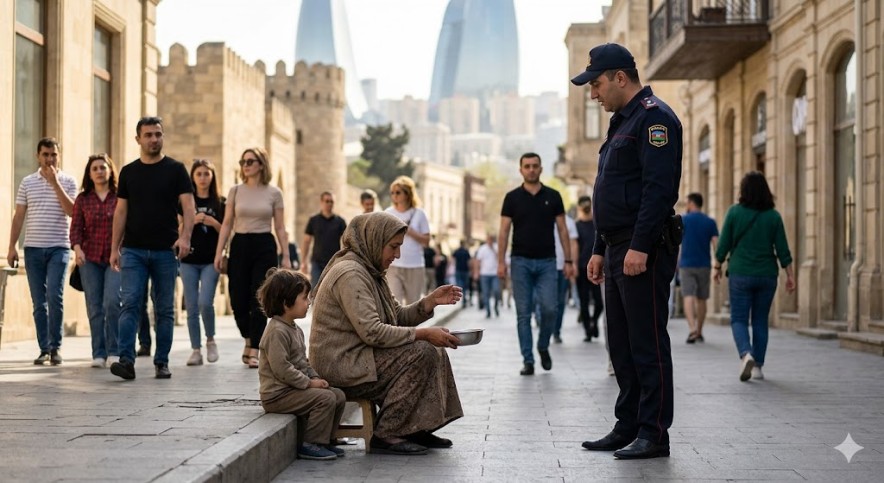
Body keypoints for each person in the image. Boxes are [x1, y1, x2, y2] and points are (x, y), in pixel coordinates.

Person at [573, 43, 682, 459]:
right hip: (617, 247)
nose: (593, 94)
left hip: (643, 249)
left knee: (646, 342)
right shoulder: (622, 122)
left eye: (596, 84)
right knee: (620, 343)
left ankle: (654, 432)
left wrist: (639, 246)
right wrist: (599, 247)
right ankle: (628, 424)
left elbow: (658, 190)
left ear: (620, 78)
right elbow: (609, 191)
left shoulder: (655, 119)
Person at [309, 212, 464, 455]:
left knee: (433, 348)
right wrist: (423, 334)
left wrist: (429, 302)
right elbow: (373, 332)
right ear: (374, 240)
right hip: (342, 364)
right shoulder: (350, 274)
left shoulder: (369, 270)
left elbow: (396, 316)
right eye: (393, 247)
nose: (397, 255)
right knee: (421, 352)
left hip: (360, 356)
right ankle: (387, 433)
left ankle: (414, 427)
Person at [110, 117, 194, 380]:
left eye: (158, 134)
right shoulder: (128, 172)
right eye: (148, 135)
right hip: (133, 250)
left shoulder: (176, 170)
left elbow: (189, 207)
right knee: (130, 304)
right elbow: (121, 211)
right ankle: (126, 361)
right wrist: (114, 248)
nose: (154, 139)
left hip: (165, 251)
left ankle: (162, 362)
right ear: (138, 139)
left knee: (165, 309)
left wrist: (185, 237)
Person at [497, 152, 575, 376]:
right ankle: (528, 360)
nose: (531, 169)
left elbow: (563, 230)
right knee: (523, 313)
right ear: (521, 170)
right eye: (527, 166)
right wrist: (501, 262)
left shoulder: (553, 196)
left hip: (547, 262)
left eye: (535, 166)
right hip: (520, 262)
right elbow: (503, 231)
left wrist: (568, 260)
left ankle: (542, 345)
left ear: (541, 169)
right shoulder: (512, 198)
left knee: (550, 309)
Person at [257, 268, 346, 461]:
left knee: (337, 395)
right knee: (325, 398)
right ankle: (311, 444)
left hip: (292, 390)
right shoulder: (276, 332)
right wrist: (309, 384)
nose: (309, 303)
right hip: (278, 395)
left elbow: (302, 362)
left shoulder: (294, 329)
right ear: (286, 303)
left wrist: (315, 377)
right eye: (305, 298)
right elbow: (282, 369)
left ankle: (328, 439)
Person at [713, 172, 795, 382]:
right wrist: (790, 276)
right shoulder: (773, 216)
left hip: (740, 274)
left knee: (739, 319)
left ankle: (746, 354)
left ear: (743, 191)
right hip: (767, 275)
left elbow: (723, 244)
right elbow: (783, 249)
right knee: (760, 320)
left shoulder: (734, 213)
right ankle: (757, 366)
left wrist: (717, 266)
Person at [214, 147, 291, 369]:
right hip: (240, 245)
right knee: (237, 299)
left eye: (250, 161)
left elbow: (280, 227)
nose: (245, 165)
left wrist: (286, 255)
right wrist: (219, 252)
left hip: (264, 245)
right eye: (243, 162)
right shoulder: (235, 191)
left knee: (259, 297)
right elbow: (227, 223)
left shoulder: (274, 193)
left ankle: (255, 347)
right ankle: (248, 337)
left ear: (261, 164)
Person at [7, 138, 78, 366]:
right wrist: (12, 246)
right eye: (45, 154)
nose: (49, 159)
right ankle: (44, 349)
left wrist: (55, 183)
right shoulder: (27, 182)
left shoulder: (68, 181)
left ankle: (55, 347)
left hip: (59, 247)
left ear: (59, 156)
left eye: (53, 154)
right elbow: (19, 216)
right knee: (39, 302)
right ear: (38, 156)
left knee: (54, 296)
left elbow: (72, 212)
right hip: (33, 249)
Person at [70, 153, 120, 368]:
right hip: (89, 259)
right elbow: (75, 228)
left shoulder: (120, 197)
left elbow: (128, 226)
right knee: (94, 306)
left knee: (112, 302)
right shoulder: (83, 199)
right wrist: (77, 249)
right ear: (89, 174)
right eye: (95, 169)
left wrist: (121, 250)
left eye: (103, 167)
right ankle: (98, 353)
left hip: (115, 258)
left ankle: (114, 351)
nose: (99, 171)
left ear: (110, 171)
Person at [179, 159, 225, 366]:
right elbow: (177, 232)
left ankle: (211, 340)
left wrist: (214, 223)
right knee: (191, 306)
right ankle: (196, 350)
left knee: (205, 302)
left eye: (207, 173)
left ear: (212, 176)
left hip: (211, 261)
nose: (203, 178)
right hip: (188, 260)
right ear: (193, 177)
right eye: (199, 174)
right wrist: (192, 221)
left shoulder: (220, 202)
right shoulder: (185, 201)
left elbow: (227, 231)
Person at [384, 176, 431, 305]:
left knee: (413, 305)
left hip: (414, 265)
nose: (394, 195)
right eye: (392, 192)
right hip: (393, 265)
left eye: (398, 192)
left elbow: (427, 241)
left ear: (407, 193)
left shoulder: (419, 213)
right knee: (394, 304)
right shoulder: (388, 213)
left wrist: (411, 232)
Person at [679, 192, 719, 344]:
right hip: (704, 264)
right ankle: (700, 331)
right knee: (702, 298)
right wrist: (718, 264)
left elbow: (676, 243)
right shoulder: (710, 222)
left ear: (691, 203)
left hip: (686, 264)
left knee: (688, 295)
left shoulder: (683, 220)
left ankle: (692, 329)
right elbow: (716, 244)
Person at [302, 192, 347, 286]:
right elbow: (306, 241)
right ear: (321, 202)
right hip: (317, 263)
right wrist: (303, 261)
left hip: (334, 262)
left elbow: (346, 242)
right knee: (316, 289)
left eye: (331, 201)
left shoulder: (340, 222)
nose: (329, 204)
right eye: (327, 201)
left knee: (333, 289)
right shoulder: (314, 220)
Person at [575, 195, 603, 342]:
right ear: (579, 207)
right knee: (584, 302)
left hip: (597, 267)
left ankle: (594, 321)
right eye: (583, 204)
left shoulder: (597, 223)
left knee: (599, 302)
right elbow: (574, 248)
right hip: (581, 268)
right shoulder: (576, 226)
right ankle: (588, 330)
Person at [552, 213, 579, 343]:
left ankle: (556, 331)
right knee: (545, 299)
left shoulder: (569, 222)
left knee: (560, 301)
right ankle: (544, 323)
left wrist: (572, 263)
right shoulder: (544, 216)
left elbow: (574, 244)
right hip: (546, 265)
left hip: (563, 266)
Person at [474, 234, 500, 318]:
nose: (489, 241)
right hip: (484, 274)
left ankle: (496, 306)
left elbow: (500, 259)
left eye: (491, 239)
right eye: (488, 239)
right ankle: (488, 311)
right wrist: (476, 272)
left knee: (496, 291)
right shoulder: (482, 249)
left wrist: (493, 250)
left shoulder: (497, 247)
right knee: (486, 293)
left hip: (495, 274)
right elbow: (477, 261)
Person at [451, 240, 471, 306]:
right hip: (465, 270)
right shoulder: (466, 251)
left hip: (458, 270)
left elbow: (453, 259)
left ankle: (461, 298)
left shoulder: (457, 251)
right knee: (465, 286)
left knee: (459, 285)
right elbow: (469, 261)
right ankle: (464, 299)